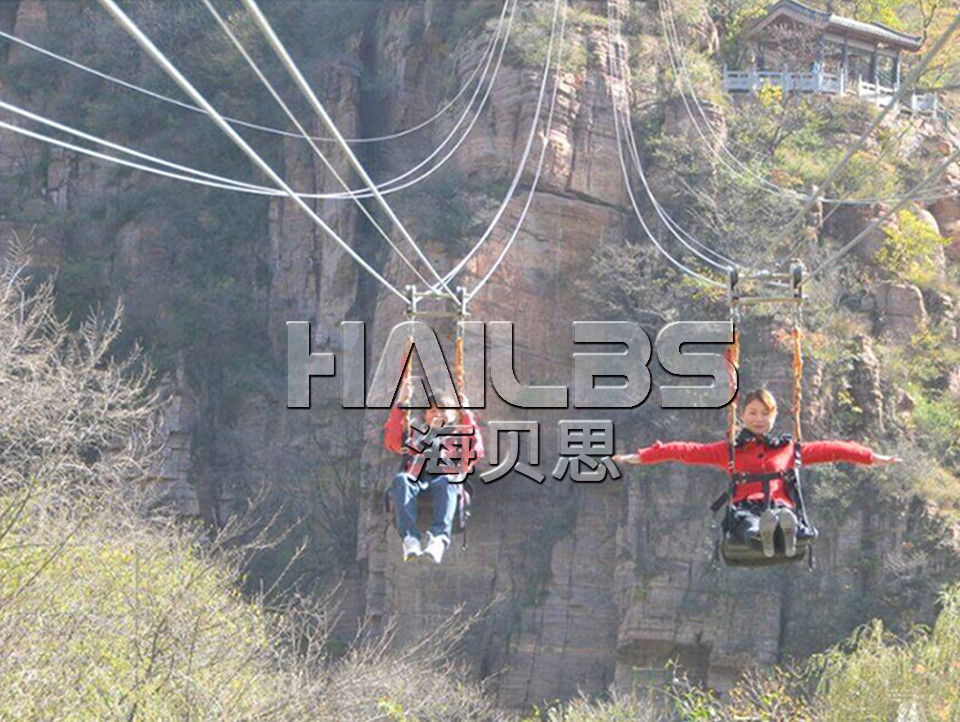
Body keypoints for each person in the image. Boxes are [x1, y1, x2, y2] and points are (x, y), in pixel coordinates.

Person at [614, 388, 900, 558]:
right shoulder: (729, 452)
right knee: (749, 523)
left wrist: (873, 458)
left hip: (779, 507)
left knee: (786, 520)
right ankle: (764, 536)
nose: (758, 419)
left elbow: (834, 449)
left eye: (765, 413)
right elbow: (685, 450)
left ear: (774, 417)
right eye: (753, 413)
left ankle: (784, 534)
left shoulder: (789, 450)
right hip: (745, 509)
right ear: (742, 416)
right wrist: (641, 456)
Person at [384, 393, 484, 564]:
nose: (437, 414)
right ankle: (410, 539)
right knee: (401, 480)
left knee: (447, 481)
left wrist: (466, 414)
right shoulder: (416, 436)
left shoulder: (460, 437)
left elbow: (476, 450)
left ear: (454, 414)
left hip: (446, 479)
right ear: (425, 416)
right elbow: (393, 440)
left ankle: (438, 538)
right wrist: (401, 405)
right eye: (432, 411)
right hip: (418, 479)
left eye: (444, 410)